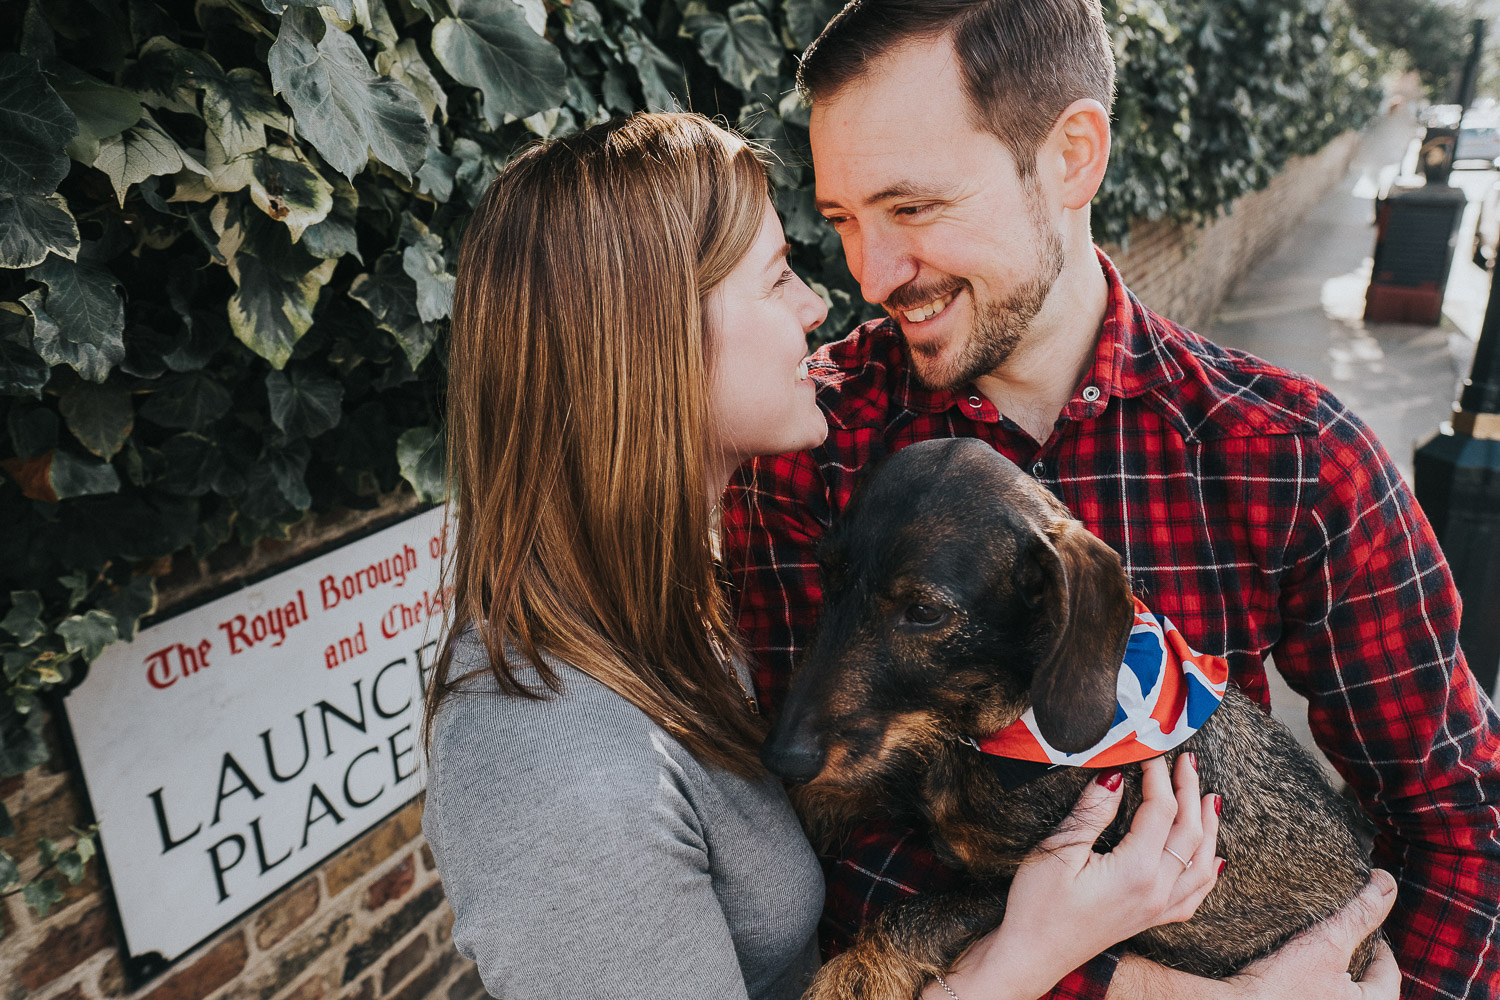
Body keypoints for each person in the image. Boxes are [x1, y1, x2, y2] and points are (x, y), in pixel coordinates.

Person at [723, 2, 1500, 999]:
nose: (872, 275)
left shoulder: (1296, 459)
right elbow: (825, 830)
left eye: (912, 209)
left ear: (1073, 157)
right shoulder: (808, 447)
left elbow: (1456, 820)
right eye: (841, 221)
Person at [420, 112, 1226, 1000]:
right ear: (652, 345)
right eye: (776, 278)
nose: (821, 303)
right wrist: (1027, 956)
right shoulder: (551, 760)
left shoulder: (681, 613)